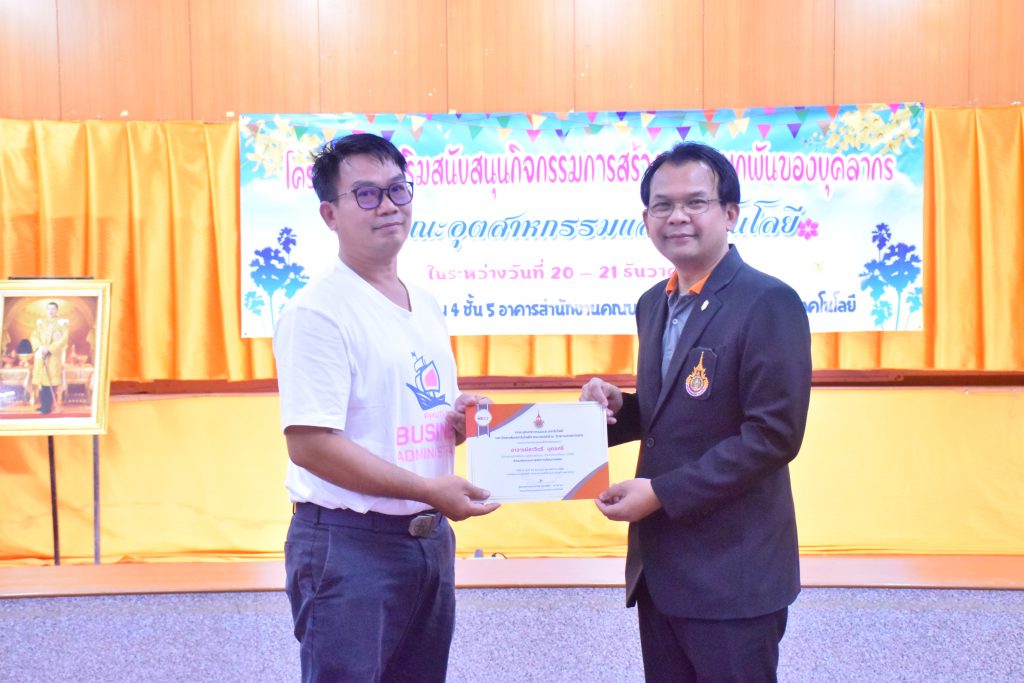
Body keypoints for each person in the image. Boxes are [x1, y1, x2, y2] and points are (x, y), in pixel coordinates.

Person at [580, 142, 812, 682]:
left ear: (730, 213)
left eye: (695, 202)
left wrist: (661, 493)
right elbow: (679, 411)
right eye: (662, 205)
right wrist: (620, 409)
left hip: (733, 573)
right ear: (646, 219)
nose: (677, 216)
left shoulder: (767, 302)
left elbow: (773, 436)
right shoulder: (653, 303)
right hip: (661, 570)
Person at [273, 133, 500, 682]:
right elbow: (310, 446)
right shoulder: (318, 311)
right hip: (350, 547)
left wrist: (459, 420)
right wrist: (428, 489)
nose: (389, 206)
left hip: (427, 541)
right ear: (330, 214)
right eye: (367, 195)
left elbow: (410, 412)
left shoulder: (425, 303)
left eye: (398, 189)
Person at [31, 301, 68, 414]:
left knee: (49, 382)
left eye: (53, 309)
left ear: (57, 310)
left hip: (52, 356)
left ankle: (47, 407)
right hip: (41, 354)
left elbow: (63, 339)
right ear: (46, 310)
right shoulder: (40, 323)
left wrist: (49, 348)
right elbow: (34, 336)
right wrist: (40, 347)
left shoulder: (62, 324)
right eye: (49, 309)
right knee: (43, 383)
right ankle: (43, 405)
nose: (51, 311)